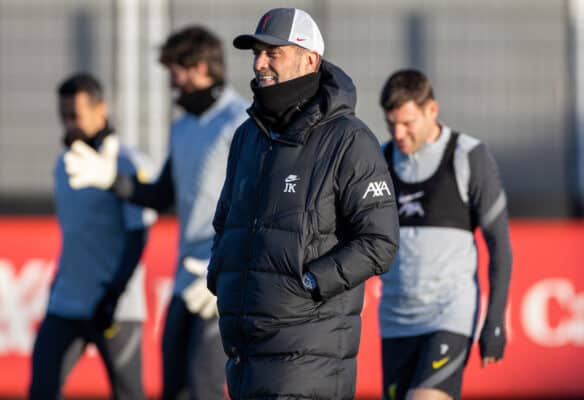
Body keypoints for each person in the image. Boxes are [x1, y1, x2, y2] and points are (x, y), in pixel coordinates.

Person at [208, 8, 398, 399]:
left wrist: (308, 282)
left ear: (309, 59)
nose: (260, 63)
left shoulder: (349, 139)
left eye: (273, 53)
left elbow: (380, 242)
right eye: (256, 53)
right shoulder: (247, 136)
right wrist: (221, 274)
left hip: (309, 355)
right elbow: (226, 221)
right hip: (244, 351)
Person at [64, 26, 249, 399]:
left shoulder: (240, 122)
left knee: (206, 387)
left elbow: (258, 205)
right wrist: (110, 178)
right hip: (186, 280)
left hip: (223, 280)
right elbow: (161, 195)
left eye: (176, 73)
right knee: (174, 387)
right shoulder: (182, 127)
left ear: (199, 67)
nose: (172, 84)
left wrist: (233, 268)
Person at [378, 69, 513, 400]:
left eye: (407, 123)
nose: (399, 133)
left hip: (448, 315)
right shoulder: (379, 161)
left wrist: (494, 320)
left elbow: (500, 247)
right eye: (391, 123)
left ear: (432, 111)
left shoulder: (468, 156)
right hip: (395, 321)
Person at [29, 73, 154, 400]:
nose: (69, 125)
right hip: (66, 303)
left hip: (115, 309)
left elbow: (137, 234)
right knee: (41, 389)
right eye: (63, 117)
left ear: (101, 110)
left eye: (76, 116)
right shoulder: (64, 164)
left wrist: (114, 293)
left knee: (128, 394)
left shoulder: (126, 161)